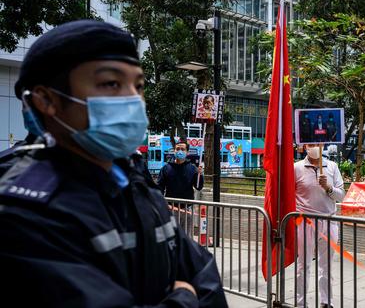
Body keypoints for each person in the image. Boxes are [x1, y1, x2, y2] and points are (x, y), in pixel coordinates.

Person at [0, 20, 227, 307]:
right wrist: (185, 298)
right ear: (47, 100)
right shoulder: (24, 211)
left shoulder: (132, 179)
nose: (133, 98)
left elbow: (203, 272)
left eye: (139, 85)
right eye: (111, 83)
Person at [294, 143, 345, 308]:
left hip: (329, 221)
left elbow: (341, 195)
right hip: (305, 223)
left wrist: (328, 187)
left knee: (327, 265)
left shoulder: (332, 166)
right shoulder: (296, 168)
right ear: (305, 146)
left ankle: (326, 301)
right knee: (303, 265)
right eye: (310, 143)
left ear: (323, 144)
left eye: (317, 143)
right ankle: (300, 303)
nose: (314, 146)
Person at [158, 140, 204, 233]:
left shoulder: (192, 168)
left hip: (187, 209)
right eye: (177, 149)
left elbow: (198, 187)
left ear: (187, 152)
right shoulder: (166, 168)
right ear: (174, 151)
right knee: (171, 236)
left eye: (182, 149)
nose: (180, 151)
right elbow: (160, 187)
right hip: (170, 208)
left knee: (186, 237)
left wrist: (200, 175)